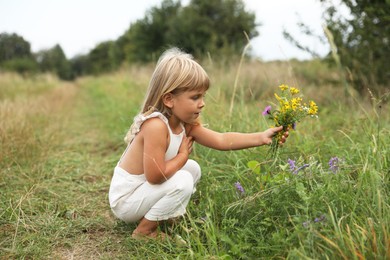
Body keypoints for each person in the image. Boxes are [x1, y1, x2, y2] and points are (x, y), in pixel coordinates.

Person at [108, 47, 289, 240]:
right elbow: (154, 176)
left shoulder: (185, 125)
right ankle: (144, 232)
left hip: (142, 192)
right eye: (195, 97)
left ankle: (163, 218)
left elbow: (222, 139)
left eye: (203, 96)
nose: (202, 103)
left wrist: (261, 137)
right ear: (169, 99)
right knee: (184, 177)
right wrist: (182, 156)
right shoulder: (155, 126)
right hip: (126, 201)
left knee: (192, 168)